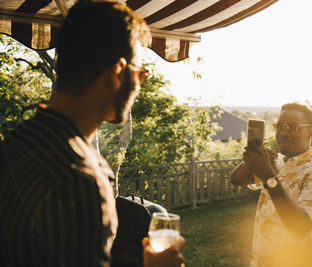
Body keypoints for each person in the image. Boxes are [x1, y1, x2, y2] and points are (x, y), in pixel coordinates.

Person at [0, 1, 184, 267]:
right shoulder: (81, 181)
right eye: (141, 74)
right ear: (117, 73)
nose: (140, 86)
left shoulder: (17, 142)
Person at [230, 103, 312, 267]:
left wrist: (268, 176)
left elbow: (301, 227)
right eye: (279, 126)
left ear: (310, 132)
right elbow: (236, 180)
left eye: (292, 127)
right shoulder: (276, 161)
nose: (283, 133)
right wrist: (255, 156)